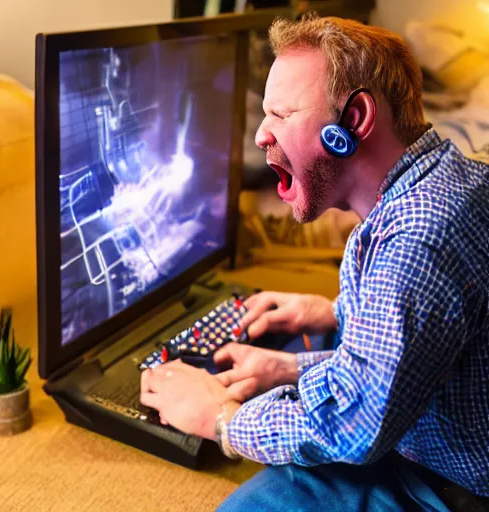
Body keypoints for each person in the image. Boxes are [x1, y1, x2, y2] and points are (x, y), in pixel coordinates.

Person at [139, 13, 489, 511]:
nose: (262, 136)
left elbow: (355, 425)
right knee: (318, 342)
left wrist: (222, 419)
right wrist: (290, 366)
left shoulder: (419, 238)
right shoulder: (447, 181)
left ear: (355, 120)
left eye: (281, 114)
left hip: (451, 486)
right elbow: (412, 356)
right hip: (437, 423)